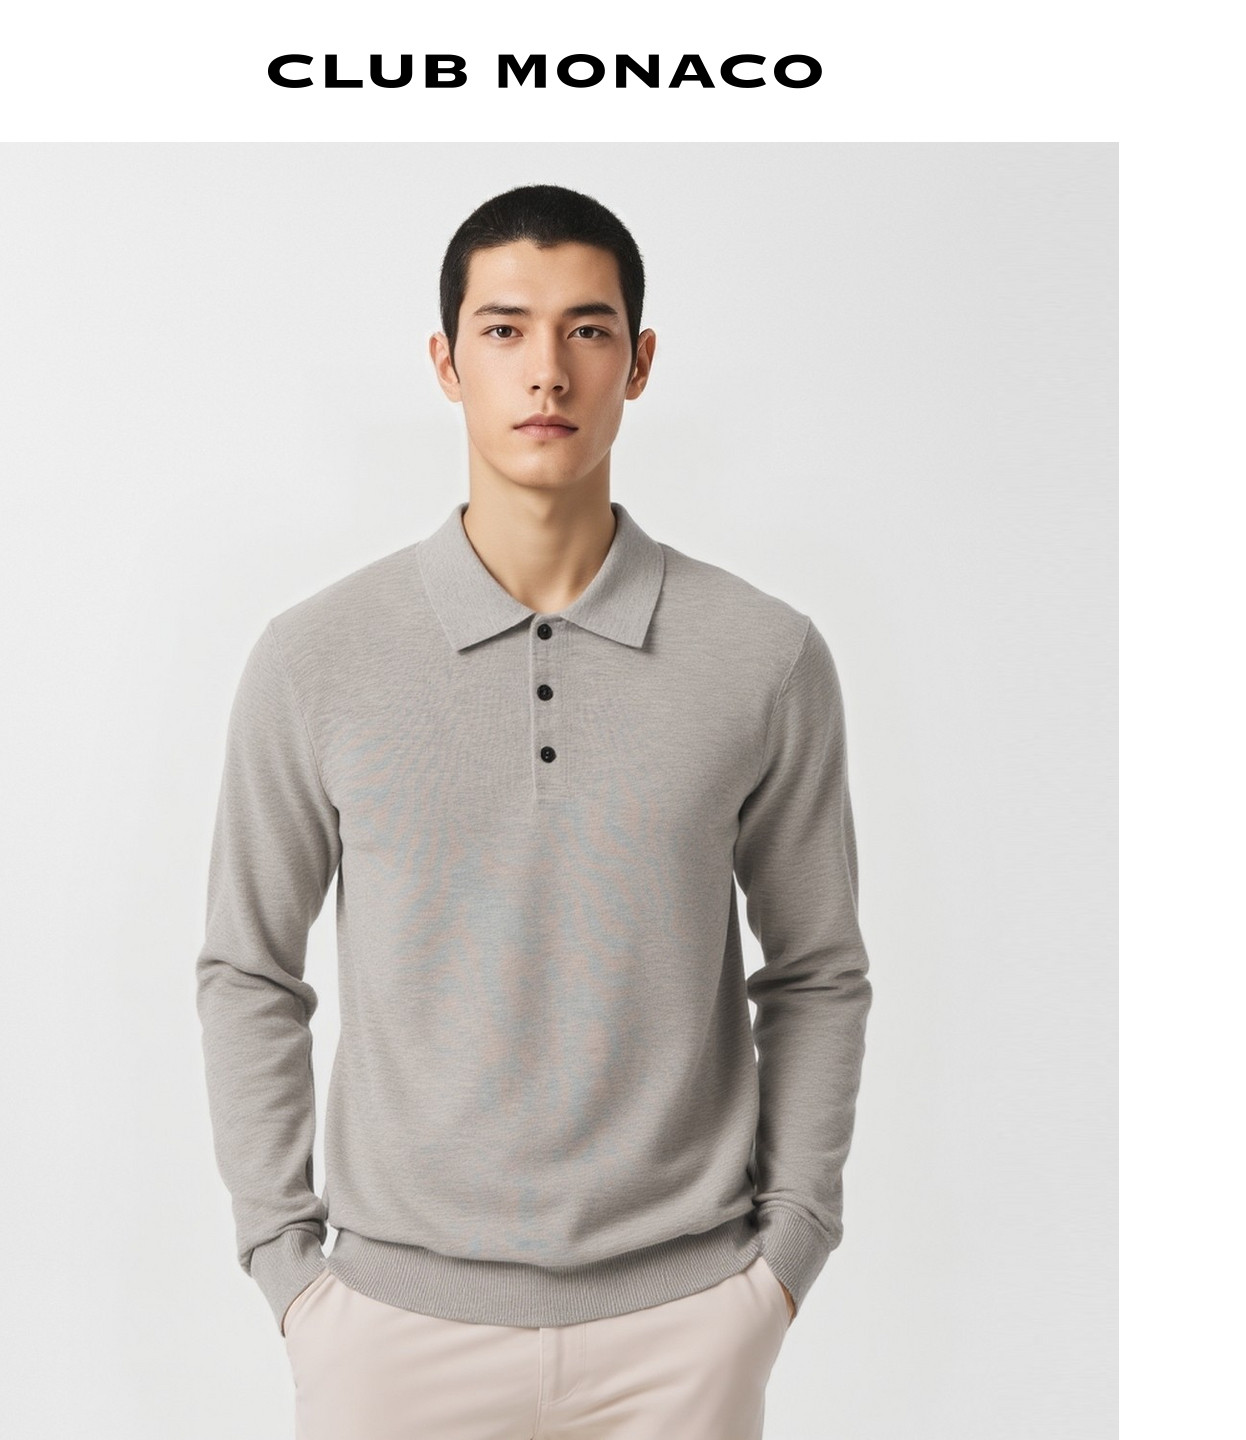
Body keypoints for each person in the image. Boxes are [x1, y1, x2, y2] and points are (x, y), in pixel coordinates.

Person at [195, 183, 873, 1439]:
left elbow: (819, 968)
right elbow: (247, 968)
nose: (546, 371)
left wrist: (787, 1254)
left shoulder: (765, 655)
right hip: (391, 1333)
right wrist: (289, 1268)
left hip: (684, 1328)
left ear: (639, 362)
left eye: (587, 330)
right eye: (504, 330)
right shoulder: (315, 657)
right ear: (447, 363)